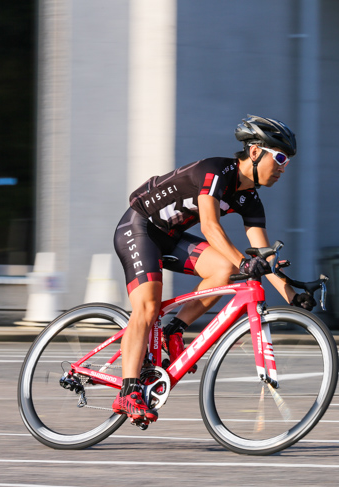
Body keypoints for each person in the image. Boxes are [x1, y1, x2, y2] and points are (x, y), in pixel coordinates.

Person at [112, 115, 316, 422]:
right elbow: (210, 226)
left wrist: (290, 292)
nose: (283, 168)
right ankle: (127, 393)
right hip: (139, 227)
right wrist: (244, 261)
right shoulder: (216, 170)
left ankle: (173, 330)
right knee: (149, 304)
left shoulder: (250, 199)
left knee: (222, 269)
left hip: (170, 237)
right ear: (256, 151)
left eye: (287, 161)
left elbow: (262, 256)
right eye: (280, 157)